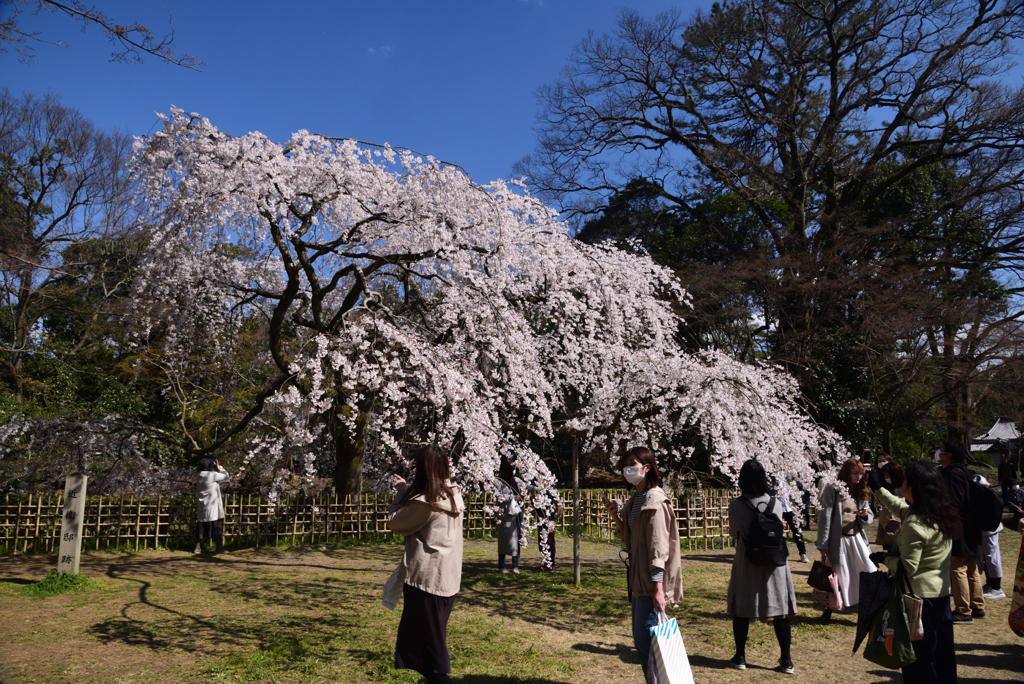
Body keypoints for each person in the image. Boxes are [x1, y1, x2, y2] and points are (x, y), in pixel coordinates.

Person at [867, 461, 958, 684]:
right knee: (943, 655)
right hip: (941, 595)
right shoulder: (940, 512)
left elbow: (907, 567)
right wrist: (878, 489)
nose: (903, 483)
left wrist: (883, 558)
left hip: (918, 600)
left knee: (919, 660)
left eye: (906, 480)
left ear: (914, 487)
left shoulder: (914, 524)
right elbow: (899, 508)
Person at [601, 447, 683, 680]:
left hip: (650, 584)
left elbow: (658, 546)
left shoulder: (654, 501)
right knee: (643, 642)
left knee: (649, 644)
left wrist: (658, 588)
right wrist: (615, 515)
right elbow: (632, 539)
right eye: (625, 465)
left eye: (633, 464)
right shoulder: (636, 500)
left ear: (647, 468)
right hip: (638, 582)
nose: (628, 469)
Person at [387, 445, 465, 684]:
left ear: (422, 469)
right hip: (447, 581)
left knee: (430, 661)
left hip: (425, 583)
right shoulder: (454, 495)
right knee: (427, 650)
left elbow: (395, 522)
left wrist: (401, 493)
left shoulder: (425, 502)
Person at [726, 460, 798, 674]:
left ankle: (740, 657)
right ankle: (787, 660)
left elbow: (734, 534)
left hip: (748, 559)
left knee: (741, 607)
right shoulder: (776, 503)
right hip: (775, 562)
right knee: (780, 611)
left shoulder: (736, 505)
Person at [816, 459, 875, 620]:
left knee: (869, 570)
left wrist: (865, 515)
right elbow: (825, 516)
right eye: (855, 473)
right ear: (846, 473)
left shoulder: (860, 490)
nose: (858, 477)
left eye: (860, 473)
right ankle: (829, 608)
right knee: (839, 576)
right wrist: (823, 544)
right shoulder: (833, 489)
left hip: (856, 538)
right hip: (839, 540)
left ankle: (867, 606)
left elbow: (869, 516)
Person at [937, 438, 985, 623]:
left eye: (941, 450)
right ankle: (977, 606)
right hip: (972, 527)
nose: (938, 453)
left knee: (957, 568)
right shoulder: (965, 472)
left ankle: (963, 610)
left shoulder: (952, 474)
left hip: (959, 527)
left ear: (948, 455)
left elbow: (953, 502)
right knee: (971, 568)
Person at [195, 458, 228, 553]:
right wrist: (219, 467)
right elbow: (226, 475)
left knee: (201, 526)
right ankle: (218, 548)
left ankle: (197, 547)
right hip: (212, 506)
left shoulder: (198, 475)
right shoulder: (212, 475)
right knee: (215, 526)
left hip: (202, 505)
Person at [495, 457, 522, 574]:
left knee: (517, 539)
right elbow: (497, 496)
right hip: (505, 515)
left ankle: (515, 565)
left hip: (517, 513)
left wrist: (540, 488)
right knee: (504, 540)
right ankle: (502, 566)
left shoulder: (516, 480)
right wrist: (512, 497)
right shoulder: (498, 481)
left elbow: (526, 487)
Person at [874, 460, 906, 554]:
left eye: (888, 475)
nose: (886, 478)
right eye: (885, 476)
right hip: (889, 522)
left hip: (899, 523)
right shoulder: (889, 486)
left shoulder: (905, 486)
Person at [778, 491, 809, 563]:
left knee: (797, 531)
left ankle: (802, 553)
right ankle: (779, 553)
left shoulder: (790, 483)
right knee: (777, 531)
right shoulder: (773, 484)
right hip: (777, 508)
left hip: (790, 508)